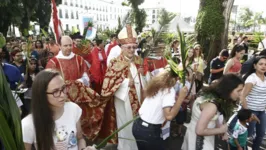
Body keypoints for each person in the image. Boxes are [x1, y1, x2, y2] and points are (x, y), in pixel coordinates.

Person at [21, 69, 96, 150]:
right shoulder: (28, 124)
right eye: (55, 91)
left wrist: (83, 148)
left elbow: (79, 138)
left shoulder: (73, 108)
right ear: (42, 95)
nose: (63, 95)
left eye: (64, 88)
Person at [100, 25, 144, 150]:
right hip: (123, 101)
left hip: (139, 99)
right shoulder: (115, 62)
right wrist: (124, 83)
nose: (131, 50)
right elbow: (107, 86)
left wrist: (143, 75)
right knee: (126, 126)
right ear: (122, 47)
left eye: (134, 47)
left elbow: (144, 82)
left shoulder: (138, 60)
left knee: (137, 125)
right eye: (128, 47)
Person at [182, 74, 244, 150]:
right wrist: (221, 130)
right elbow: (199, 131)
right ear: (229, 89)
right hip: (200, 142)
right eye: (239, 90)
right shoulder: (212, 106)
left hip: (194, 135)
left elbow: (214, 117)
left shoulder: (211, 96)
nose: (241, 94)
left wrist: (220, 128)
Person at [132, 66, 188, 150]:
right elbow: (169, 116)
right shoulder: (169, 90)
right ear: (177, 78)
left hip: (137, 124)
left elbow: (146, 96)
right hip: (149, 131)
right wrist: (181, 98)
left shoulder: (156, 84)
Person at [240, 56, 266, 150]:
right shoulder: (252, 79)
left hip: (261, 111)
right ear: (255, 66)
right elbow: (242, 96)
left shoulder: (265, 78)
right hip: (251, 111)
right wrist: (248, 113)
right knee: (247, 135)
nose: (264, 66)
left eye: (265, 64)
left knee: (261, 134)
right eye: (261, 64)